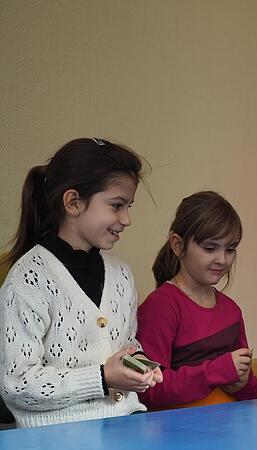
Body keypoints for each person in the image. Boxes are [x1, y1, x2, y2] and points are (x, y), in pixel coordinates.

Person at [0, 138, 163, 428]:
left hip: (127, 424)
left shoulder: (122, 274)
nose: (126, 219)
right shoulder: (27, 279)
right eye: (117, 205)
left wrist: (138, 364)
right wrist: (101, 378)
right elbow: (16, 384)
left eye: (129, 206)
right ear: (73, 202)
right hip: (57, 437)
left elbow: (125, 344)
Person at [136, 191, 257, 409]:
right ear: (178, 245)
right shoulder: (161, 306)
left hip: (230, 427)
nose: (222, 259)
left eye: (230, 249)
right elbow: (149, 390)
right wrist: (216, 372)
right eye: (210, 248)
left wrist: (242, 382)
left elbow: (250, 394)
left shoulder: (231, 310)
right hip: (181, 433)